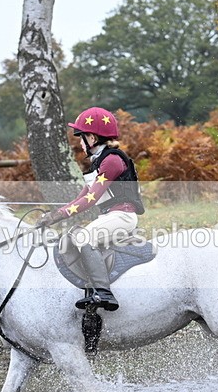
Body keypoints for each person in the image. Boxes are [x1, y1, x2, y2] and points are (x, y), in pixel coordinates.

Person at [36, 107, 145, 311]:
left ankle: (104, 293)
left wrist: (58, 215)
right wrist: (54, 216)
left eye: (81, 137)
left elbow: (90, 199)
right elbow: (80, 199)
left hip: (123, 216)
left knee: (84, 238)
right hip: (113, 216)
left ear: (92, 138)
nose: (79, 142)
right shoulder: (99, 164)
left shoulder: (112, 161)